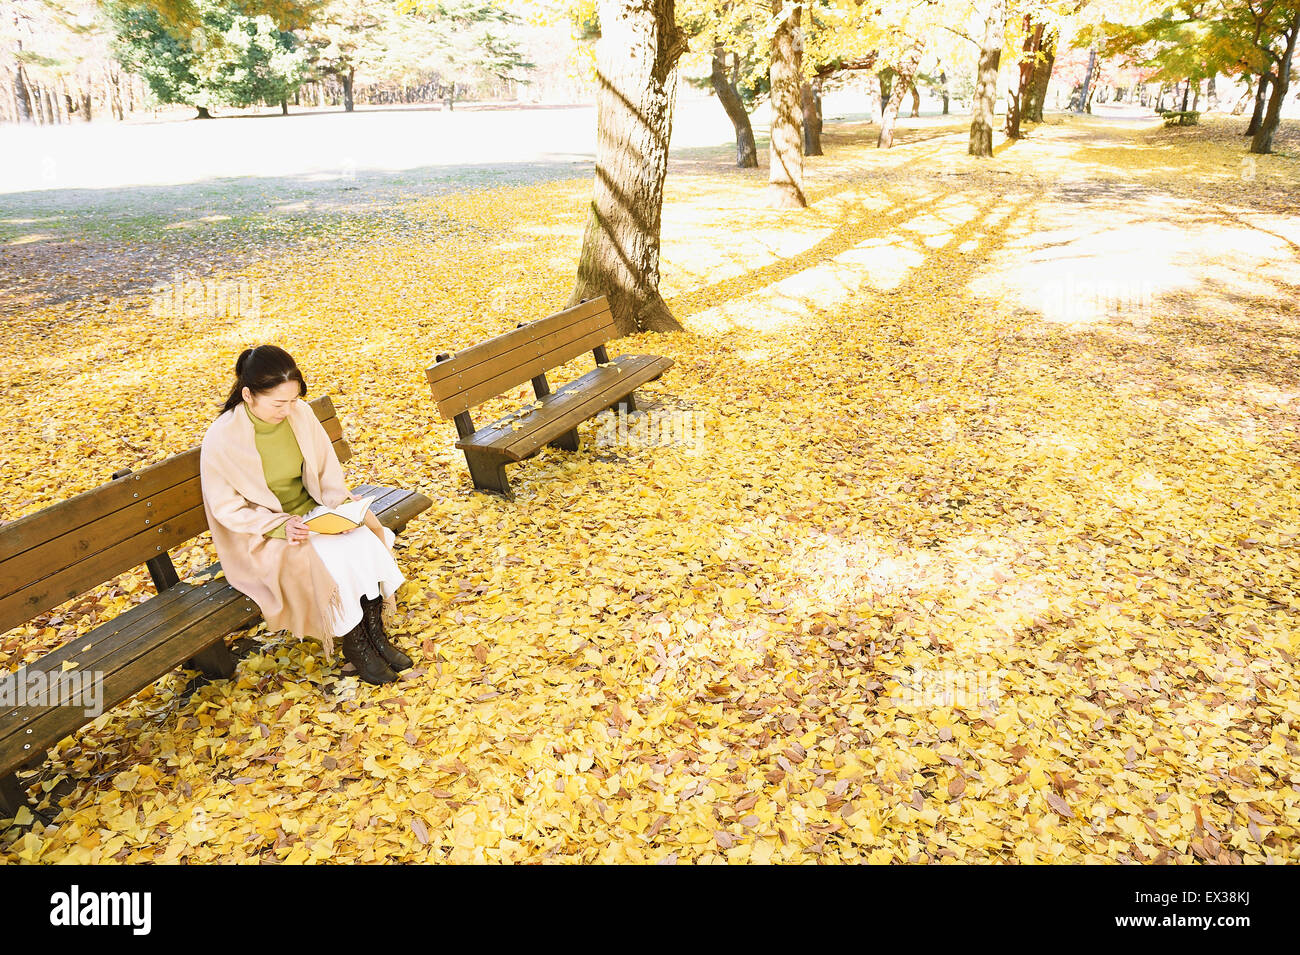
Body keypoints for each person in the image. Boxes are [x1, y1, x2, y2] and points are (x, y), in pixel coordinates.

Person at [198, 344, 412, 685]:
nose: (288, 409)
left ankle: (376, 635)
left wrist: (338, 507)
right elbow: (228, 509)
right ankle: (355, 646)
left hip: (313, 513)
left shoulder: (300, 415)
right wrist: (279, 527)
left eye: (293, 400)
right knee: (329, 558)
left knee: (361, 540)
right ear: (248, 395)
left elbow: (327, 472)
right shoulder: (222, 438)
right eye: (278, 403)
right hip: (264, 532)